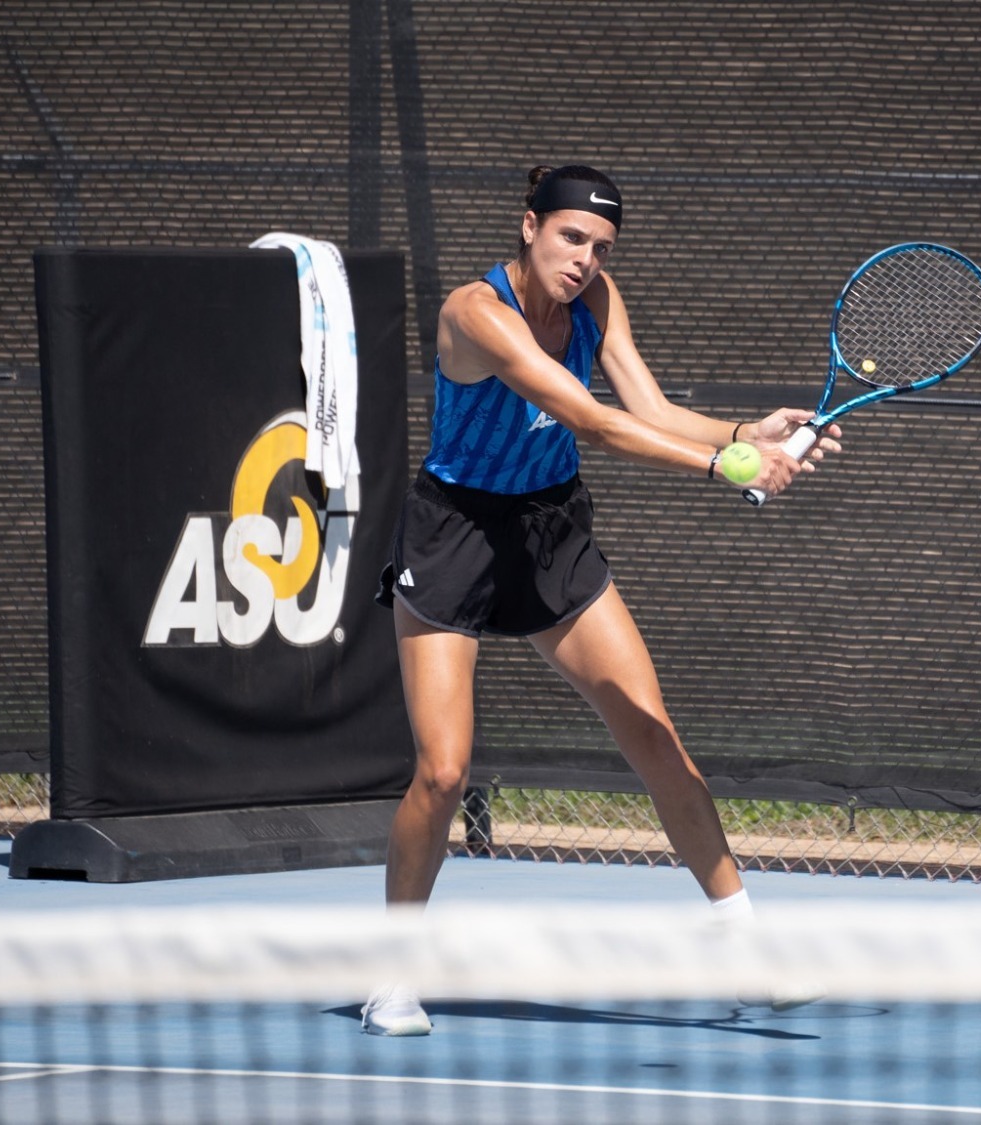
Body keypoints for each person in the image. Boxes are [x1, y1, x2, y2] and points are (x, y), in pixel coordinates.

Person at [362, 164, 841, 1036]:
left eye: (601, 246)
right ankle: (392, 975)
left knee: (655, 734)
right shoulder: (476, 314)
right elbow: (592, 420)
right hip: (456, 533)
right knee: (441, 770)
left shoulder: (597, 303)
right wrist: (725, 468)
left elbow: (648, 404)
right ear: (530, 227)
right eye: (572, 238)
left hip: (551, 533)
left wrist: (745, 432)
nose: (584, 260)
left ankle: (746, 941)